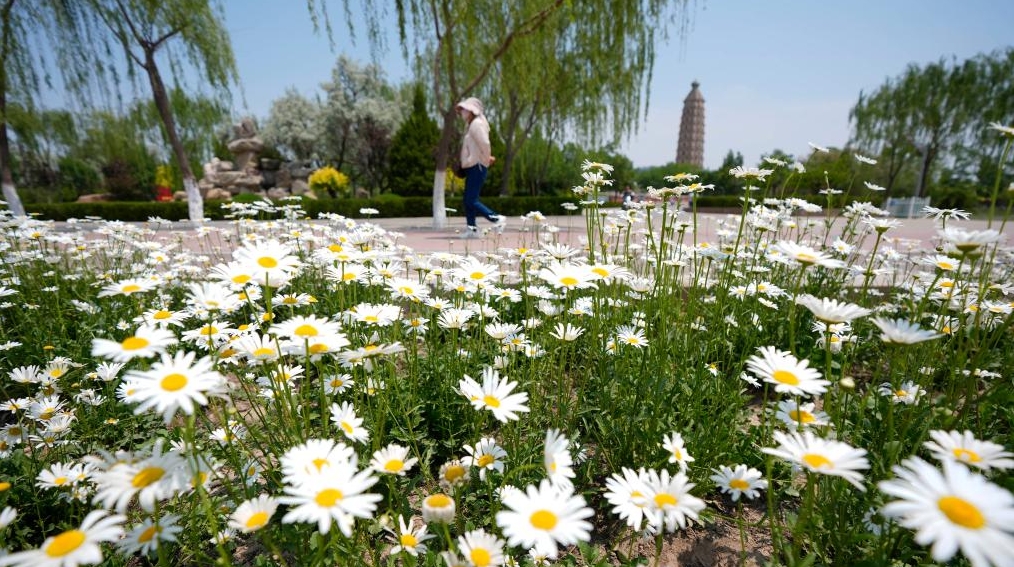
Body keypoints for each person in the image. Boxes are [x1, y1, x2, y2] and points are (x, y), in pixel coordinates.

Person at [456, 97, 504, 237]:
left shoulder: (476, 124)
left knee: (471, 200)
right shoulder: (471, 125)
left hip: (477, 166)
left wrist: (485, 159)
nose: (462, 112)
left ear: (472, 111)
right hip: (472, 166)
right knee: (468, 200)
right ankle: (472, 229)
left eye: (465, 109)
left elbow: (485, 143)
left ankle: (496, 218)